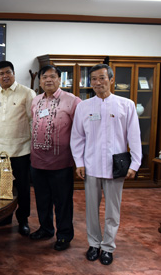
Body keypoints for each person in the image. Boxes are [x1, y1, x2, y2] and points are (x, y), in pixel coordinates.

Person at [71, 64, 141, 266]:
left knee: (113, 210)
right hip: (91, 166)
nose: (97, 82)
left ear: (111, 79)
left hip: (116, 167)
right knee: (91, 209)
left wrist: (135, 164)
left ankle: (108, 246)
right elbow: (77, 137)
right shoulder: (84, 107)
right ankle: (94, 244)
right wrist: (79, 162)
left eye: (102, 78)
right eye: (93, 79)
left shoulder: (126, 105)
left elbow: (134, 137)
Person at [29, 65, 81, 251]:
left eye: (52, 76)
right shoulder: (35, 101)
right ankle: (45, 229)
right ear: (40, 81)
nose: (48, 80)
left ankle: (64, 235)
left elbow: (80, 130)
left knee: (62, 201)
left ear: (60, 79)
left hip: (61, 162)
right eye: (44, 77)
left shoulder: (72, 101)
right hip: (37, 160)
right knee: (42, 199)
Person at [0, 60, 36, 236]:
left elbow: (32, 121)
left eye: (8, 72)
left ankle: (23, 220)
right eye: (1, 73)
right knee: (2, 188)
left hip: (21, 149)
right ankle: (4, 217)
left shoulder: (27, 93)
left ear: (13, 73)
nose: (5, 76)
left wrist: (31, 146)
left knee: (22, 188)